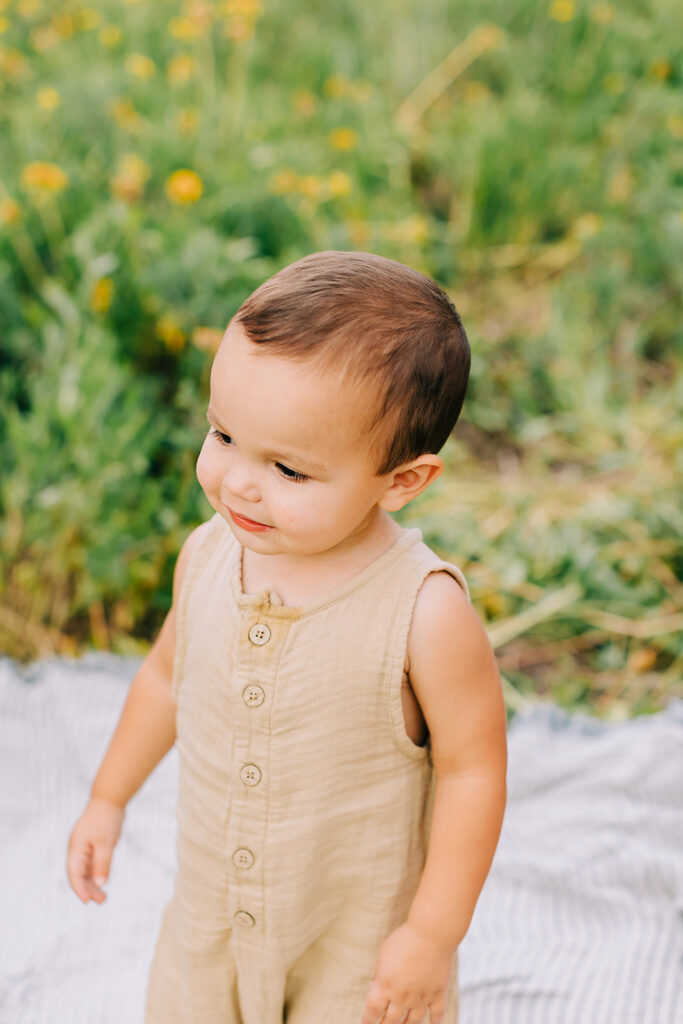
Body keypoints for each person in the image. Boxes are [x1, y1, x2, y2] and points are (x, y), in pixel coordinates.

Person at [67, 250, 507, 1024]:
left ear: (401, 480)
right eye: (224, 435)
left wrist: (432, 936)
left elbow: (471, 769)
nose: (238, 480)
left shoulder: (422, 612)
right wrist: (108, 798)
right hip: (209, 929)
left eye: (289, 470)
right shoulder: (208, 556)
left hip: (354, 945)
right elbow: (166, 678)